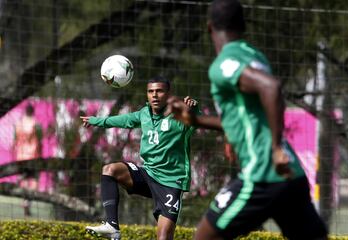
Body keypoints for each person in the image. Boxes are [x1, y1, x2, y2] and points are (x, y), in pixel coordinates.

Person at [166, 1, 328, 239]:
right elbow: (248, 118)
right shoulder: (254, 55)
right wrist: (196, 120)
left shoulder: (223, 64)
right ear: (242, 26)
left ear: (210, 28)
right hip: (291, 175)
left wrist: (274, 148)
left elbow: (271, 88)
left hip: (262, 175)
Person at [81, 76, 198, 240]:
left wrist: (192, 108)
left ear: (168, 94)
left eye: (159, 91)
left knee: (164, 237)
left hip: (171, 182)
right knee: (110, 170)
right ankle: (112, 226)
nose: (154, 95)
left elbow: (195, 119)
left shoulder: (180, 116)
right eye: (151, 91)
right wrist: (98, 121)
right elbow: (125, 120)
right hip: (148, 174)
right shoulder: (145, 113)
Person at [13, 103, 43, 216]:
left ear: (25, 111)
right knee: (35, 180)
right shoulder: (37, 125)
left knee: (24, 180)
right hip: (33, 156)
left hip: (21, 156)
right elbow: (40, 140)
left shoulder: (18, 124)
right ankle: (28, 202)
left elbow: (15, 141)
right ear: (33, 112)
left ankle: (24, 200)